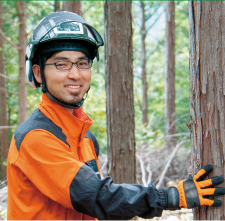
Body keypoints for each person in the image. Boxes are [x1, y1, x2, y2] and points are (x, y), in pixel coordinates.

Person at [7, 11, 225, 220]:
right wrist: (169, 197)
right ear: (37, 73)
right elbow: (97, 197)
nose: (75, 74)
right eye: (61, 64)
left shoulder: (87, 140)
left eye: (82, 63)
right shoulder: (35, 137)